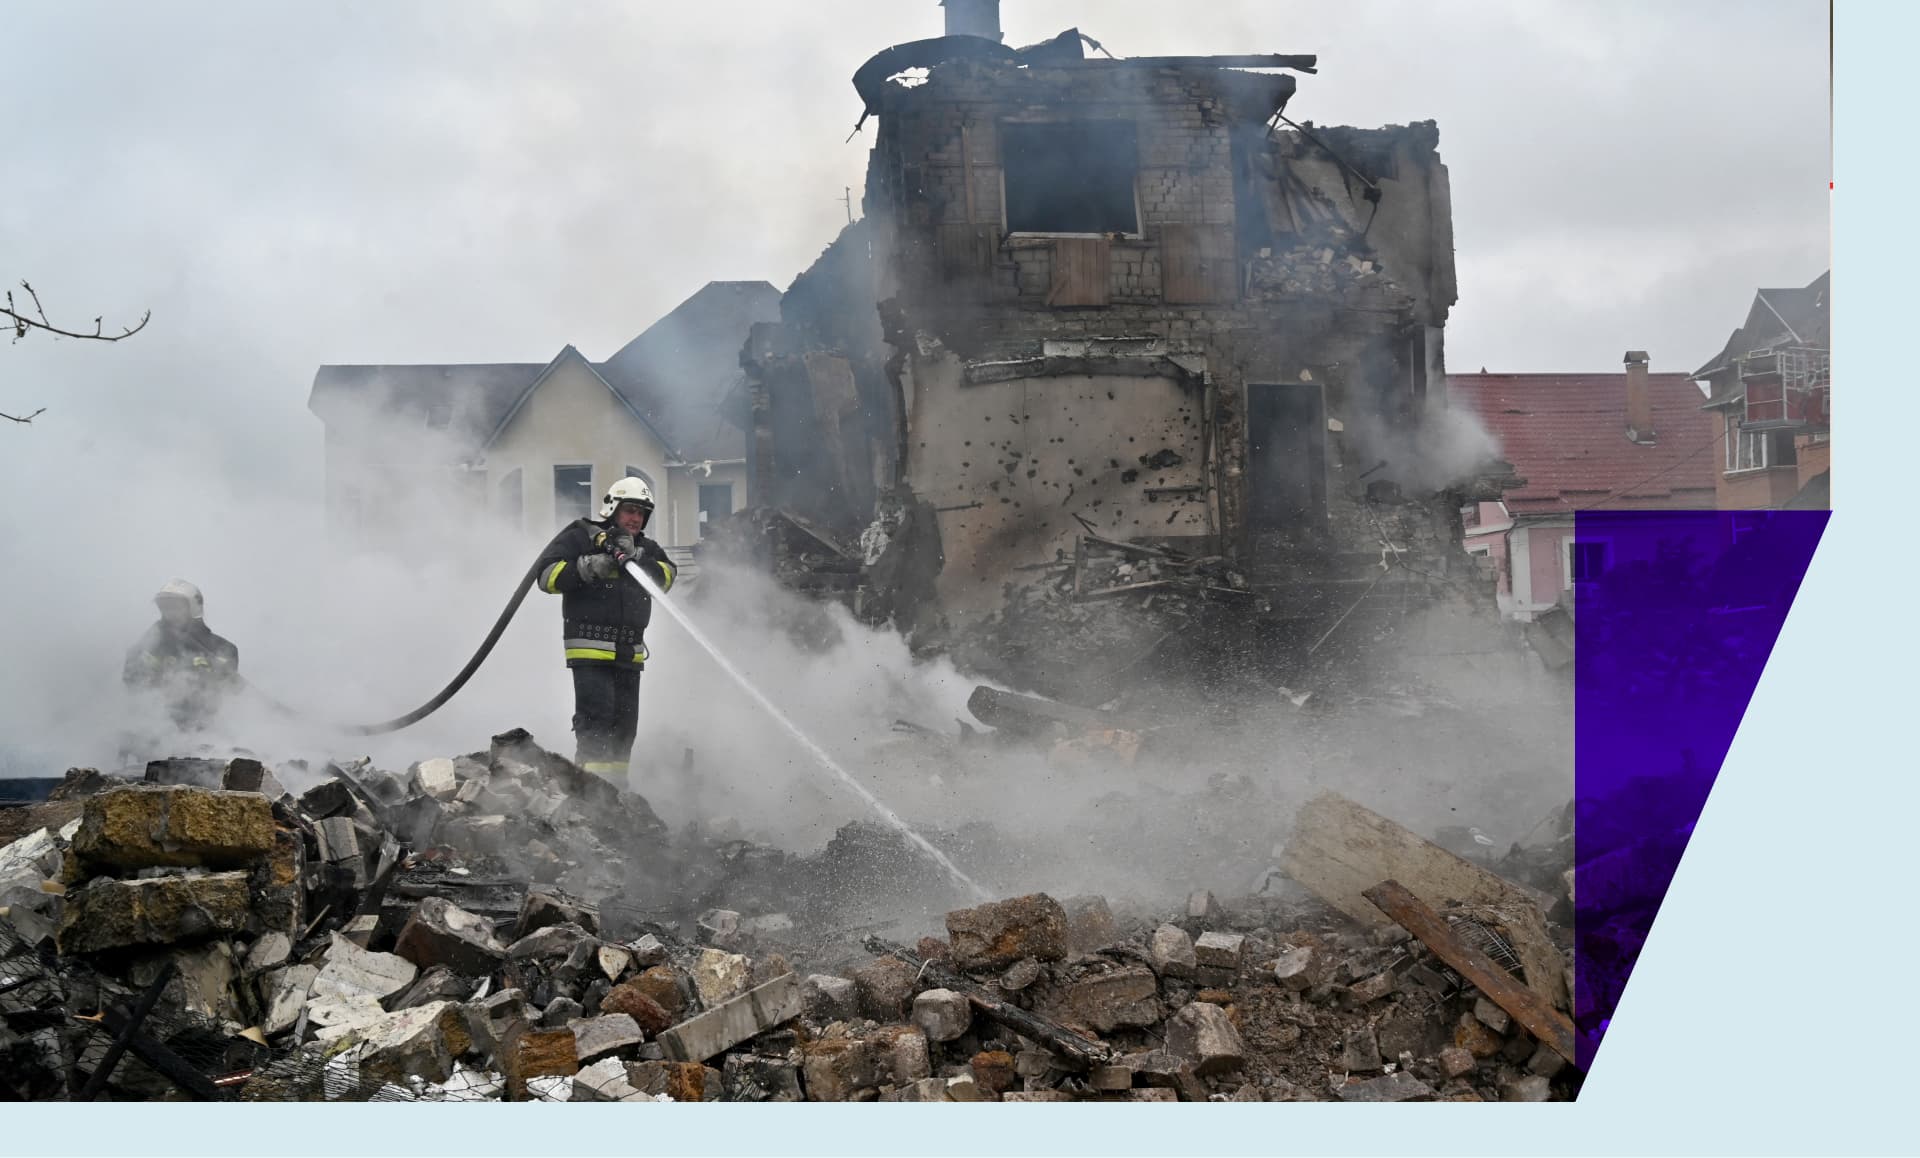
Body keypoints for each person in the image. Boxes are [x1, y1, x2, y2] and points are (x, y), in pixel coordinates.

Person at [534, 476, 676, 781]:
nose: (636, 518)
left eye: (641, 512)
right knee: (596, 727)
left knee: (624, 731)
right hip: (590, 651)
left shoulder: (646, 549)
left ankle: (615, 798)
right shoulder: (580, 538)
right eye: (630, 510)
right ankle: (590, 797)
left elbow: (667, 576)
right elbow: (546, 576)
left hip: (630, 655)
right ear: (612, 508)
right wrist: (588, 567)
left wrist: (638, 560)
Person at [122, 579, 241, 731]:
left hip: (205, 732)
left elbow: (226, 692)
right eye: (165, 607)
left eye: (175, 606)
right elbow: (132, 681)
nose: (169, 612)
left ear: (193, 607)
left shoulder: (223, 648)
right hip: (154, 731)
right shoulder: (149, 644)